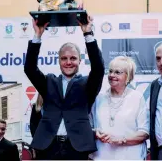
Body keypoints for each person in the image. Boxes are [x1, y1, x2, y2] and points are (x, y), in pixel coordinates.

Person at [24, 15, 105, 160]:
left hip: (76, 147)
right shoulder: (49, 81)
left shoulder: (87, 84)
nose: (68, 62)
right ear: (59, 61)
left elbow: (98, 68)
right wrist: (37, 35)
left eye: (73, 58)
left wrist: (87, 33)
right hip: (47, 147)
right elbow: (30, 68)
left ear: (80, 60)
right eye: (64, 58)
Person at [90, 56, 149, 160]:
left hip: (129, 157)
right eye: (110, 71)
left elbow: (144, 133)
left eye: (118, 72)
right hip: (101, 156)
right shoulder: (99, 97)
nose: (112, 75)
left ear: (128, 76)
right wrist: (95, 132)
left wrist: (121, 139)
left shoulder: (136, 98)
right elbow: (89, 127)